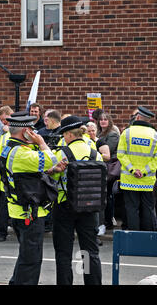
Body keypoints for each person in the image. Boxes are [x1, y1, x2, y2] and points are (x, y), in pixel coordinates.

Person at [2, 113, 61, 285]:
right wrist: (42, 143)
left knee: (26, 255)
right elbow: (51, 159)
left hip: (19, 210)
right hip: (29, 212)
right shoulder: (22, 154)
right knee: (31, 260)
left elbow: (30, 172)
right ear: (26, 132)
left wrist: (50, 170)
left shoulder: (10, 147)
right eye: (32, 131)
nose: (36, 134)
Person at [51, 115, 103, 285]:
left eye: (64, 135)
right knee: (89, 252)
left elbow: (53, 177)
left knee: (64, 252)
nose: (63, 138)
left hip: (64, 206)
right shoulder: (95, 153)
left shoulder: (61, 153)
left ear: (70, 135)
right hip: (89, 207)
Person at [117, 106, 157, 231]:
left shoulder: (127, 133)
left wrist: (133, 170)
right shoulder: (156, 136)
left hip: (130, 180)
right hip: (147, 181)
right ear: (148, 120)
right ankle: (148, 237)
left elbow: (121, 154)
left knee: (131, 209)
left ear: (138, 117)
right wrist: (144, 171)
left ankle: (133, 237)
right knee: (148, 209)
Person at [96, 112, 120, 234]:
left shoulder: (113, 135)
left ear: (109, 121)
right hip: (101, 167)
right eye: (101, 120)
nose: (103, 121)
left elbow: (108, 151)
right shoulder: (98, 134)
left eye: (105, 119)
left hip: (110, 167)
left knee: (108, 195)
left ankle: (108, 221)